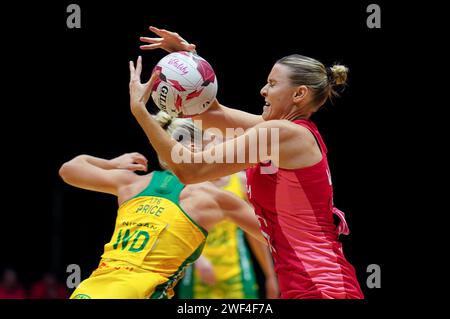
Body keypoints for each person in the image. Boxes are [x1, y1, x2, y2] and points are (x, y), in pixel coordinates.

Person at [128, 26, 364, 299]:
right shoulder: (283, 133)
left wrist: (141, 112)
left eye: (273, 84)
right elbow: (213, 114)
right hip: (312, 286)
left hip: (323, 289)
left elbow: (190, 170)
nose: (263, 90)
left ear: (299, 94)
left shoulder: (282, 134)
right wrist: (188, 61)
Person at [58, 111, 265, 299]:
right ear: (193, 150)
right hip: (137, 292)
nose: (225, 153)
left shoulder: (131, 182)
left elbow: (69, 169)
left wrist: (110, 164)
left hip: (90, 288)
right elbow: (276, 235)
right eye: (216, 145)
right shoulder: (212, 198)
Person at [177, 172, 279, 299]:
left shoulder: (241, 180)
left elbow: (255, 234)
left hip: (237, 273)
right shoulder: (187, 180)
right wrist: (199, 260)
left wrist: (270, 275)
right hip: (198, 273)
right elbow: (174, 226)